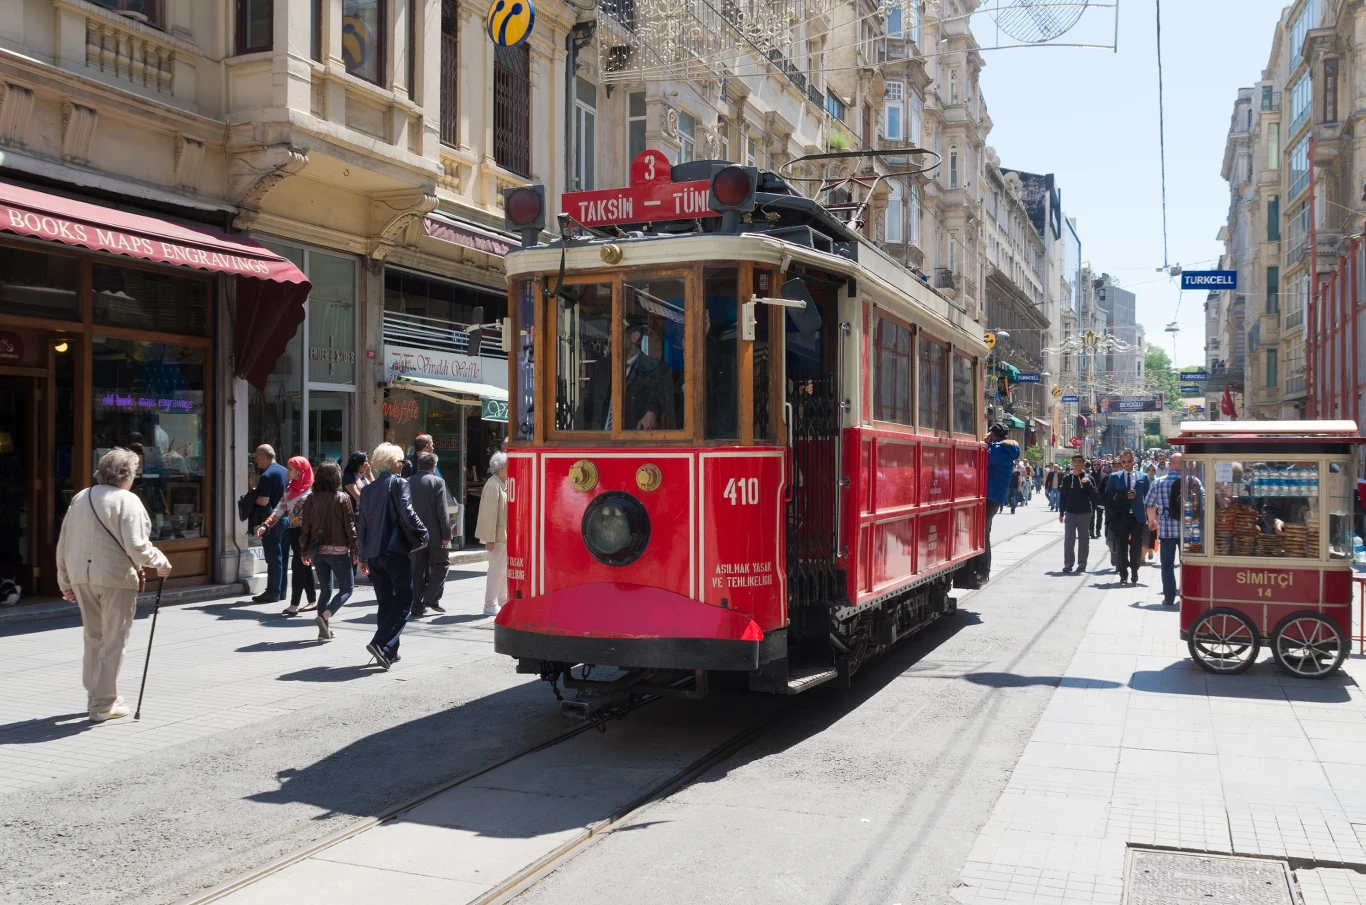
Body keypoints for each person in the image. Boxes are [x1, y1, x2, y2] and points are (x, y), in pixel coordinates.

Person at [56, 448, 172, 722]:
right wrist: (161, 562)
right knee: (115, 639)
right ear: (127, 475)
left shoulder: (81, 497)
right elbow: (137, 545)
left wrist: (64, 580)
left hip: (81, 575)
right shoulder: (128, 501)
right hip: (115, 578)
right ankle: (103, 703)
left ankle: (96, 693)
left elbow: (64, 541)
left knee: (94, 637)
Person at [356, 443, 428, 670]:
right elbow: (408, 512)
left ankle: (389, 651)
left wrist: (363, 555)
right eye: (400, 461)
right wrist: (423, 533)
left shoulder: (367, 489)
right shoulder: (399, 483)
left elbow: (362, 525)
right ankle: (380, 643)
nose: (403, 464)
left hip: (374, 553)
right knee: (405, 599)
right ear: (391, 464)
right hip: (394, 550)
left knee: (385, 602)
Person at [298, 460, 358, 640]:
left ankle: (323, 632)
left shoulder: (311, 499)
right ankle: (325, 616)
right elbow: (350, 527)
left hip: (317, 552)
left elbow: (305, 528)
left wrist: (303, 551)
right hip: (339, 551)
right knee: (347, 588)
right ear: (336, 477)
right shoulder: (343, 498)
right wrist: (356, 549)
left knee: (325, 589)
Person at [577, 317, 664, 430]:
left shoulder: (654, 368)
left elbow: (658, 398)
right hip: (599, 443)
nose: (609, 339)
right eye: (610, 333)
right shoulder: (601, 366)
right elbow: (586, 407)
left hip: (630, 444)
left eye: (614, 333)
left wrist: (651, 412)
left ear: (634, 336)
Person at [256, 456, 317, 616]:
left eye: (290, 469)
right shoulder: (290, 488)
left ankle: (294, 605)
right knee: (304, 566)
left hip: (307, 534)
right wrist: (266, 524)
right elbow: (279, 509)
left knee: (298, 566)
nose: (287, 471)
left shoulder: (312, 490)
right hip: (294, 532)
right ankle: (312, 601)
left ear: (300, 471)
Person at [408, 451, 452, 619]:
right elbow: (442, 511)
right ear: (433, 466)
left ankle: (416, 605)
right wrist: (446, 534)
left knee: (417, 569)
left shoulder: (408, 482)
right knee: (441, 564)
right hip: (434, 533)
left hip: (414, 535)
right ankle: (431, 598)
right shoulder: (437, 482)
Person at [979, 423, 1021, 584]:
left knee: (982, 534)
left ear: (992, 434)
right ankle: (981, 570)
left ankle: (983, 571)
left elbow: (982, 459)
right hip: (995, 497)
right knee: (984, 532)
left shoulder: (996, 449)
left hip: (989, 495)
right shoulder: (1007, 449)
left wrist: (985, 443)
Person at [1103, 449, 1152, 586]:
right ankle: (1123, 573)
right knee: (1122, 545)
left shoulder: (1143, 477)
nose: (1126, 464)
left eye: (1129, 461)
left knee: (1136, 545)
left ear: (1133, 461)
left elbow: (1149, 498)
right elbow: (1108, 497)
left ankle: (1135, 570)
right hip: (1120, 515)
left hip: (1137, 516)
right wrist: (1123, 495)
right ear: (1121, 462)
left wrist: (1151, 516)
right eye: (1123, 462)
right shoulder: (1114, 477)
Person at [252, 445, 290, 603]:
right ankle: (281, 591)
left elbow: (263, 500)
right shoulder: (284, 471)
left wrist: (251, 497)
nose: (255, 461)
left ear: (262, 457)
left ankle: (273, 592)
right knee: (283, 557)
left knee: (274, 558)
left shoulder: (266, 475)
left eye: (256, 457)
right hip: (286, 518)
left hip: (272, 521)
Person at [1145, 452, 1184, 606]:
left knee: (1167, 563)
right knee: (1187, 564)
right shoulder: (1192, 481)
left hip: (1166, 529)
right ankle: (1187, 594)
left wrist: (1152, 520)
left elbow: (1149, 503)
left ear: (1170, 465)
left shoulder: (1159, 483)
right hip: (1187, 531)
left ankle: (1169, 597)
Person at [475, 451, 509, 616]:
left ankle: (502, 601)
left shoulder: (500, 484)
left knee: (502, 570)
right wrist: (489, 539)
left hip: (502, 535)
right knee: (496, 571)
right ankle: (490, 604)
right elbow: (489, 514)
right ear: (502, 468)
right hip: (497, 536)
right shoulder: (493, 485)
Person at [1058, 454, 1100, 573]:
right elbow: (1063, 497)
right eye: (1075, 461)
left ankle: (1082, 564)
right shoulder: (1067, 479)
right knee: (1069, 539)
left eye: (1079, 462)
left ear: (1083, 464)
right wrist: (1061, 512)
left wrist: (1088, 484)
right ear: (1072, 463)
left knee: (1084, 540)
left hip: (1085, 513)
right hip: (1070, 513)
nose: (1077, 464)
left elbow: (1095, 496)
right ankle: (1068, 564)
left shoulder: (1089, 478)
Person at [342, 450, 371, 515]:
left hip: (367, 512)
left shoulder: (364, 476)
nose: (367, 464)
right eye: (364, 461)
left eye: (367, 461)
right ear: (357, 463)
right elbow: (358, 497)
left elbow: (376, 487)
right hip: (355, 514)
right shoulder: (349, 476)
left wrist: (370, 473)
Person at [1142, 463, 1159, 564]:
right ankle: (1143, 556)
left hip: (1154, 510)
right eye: (1149, 470)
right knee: (1144, 532)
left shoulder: (1157, 481)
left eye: (1153, 470)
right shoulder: (1142, 481)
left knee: (1152, 531)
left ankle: (1150, 549)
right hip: (1143, 510)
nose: (1151, 472)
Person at [1089, 459, 1107, 539]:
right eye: (1094, 464)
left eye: (1098, 464)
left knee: (1100, 516)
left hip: (1100, 499)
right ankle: (1091, 531)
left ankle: (1098, 530)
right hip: (1091, 499)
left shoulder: (1104, 476)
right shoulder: (1089, 476)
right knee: (1091, 516)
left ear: (1100, 466)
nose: (1096, 466)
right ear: (1092, 466)